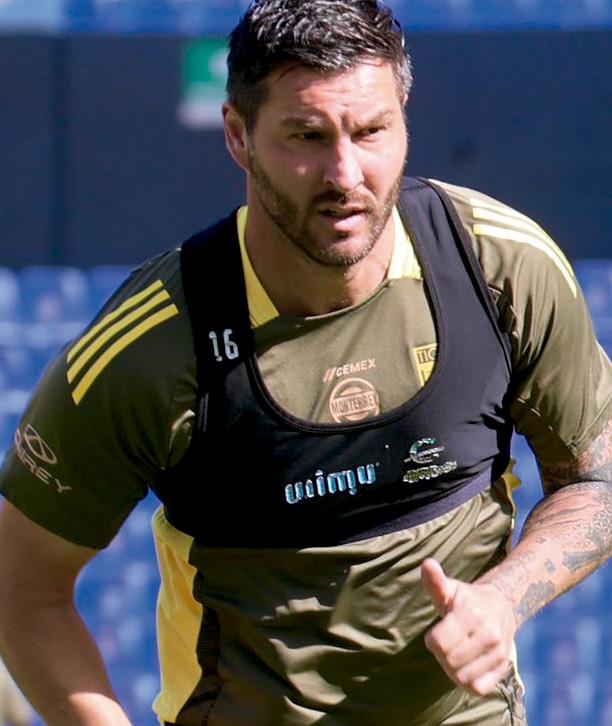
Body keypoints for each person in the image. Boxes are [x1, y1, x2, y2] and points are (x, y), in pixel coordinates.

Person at [0, 1, 610, 724]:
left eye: (371, 131)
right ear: (238, 135)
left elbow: (597, 478)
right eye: (307, 136)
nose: (345, 173)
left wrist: (505, 598)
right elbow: (21, 588)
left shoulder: (500, 268)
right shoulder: (154, 346)